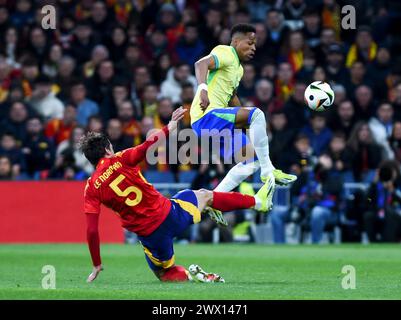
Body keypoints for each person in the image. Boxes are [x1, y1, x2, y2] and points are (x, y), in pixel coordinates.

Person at [80, 107, 273, 283]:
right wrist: (169, 127)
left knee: (165, 273)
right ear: (107, 149)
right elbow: (148, 144)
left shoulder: (91, 188)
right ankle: (257, 202)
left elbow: (91, 231)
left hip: (150, 235)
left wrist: (96, 264)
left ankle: (192, 276)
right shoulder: (121, 159)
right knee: (205, 195)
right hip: (169, 215)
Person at [190, 23, 296, 207]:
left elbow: (232, 99)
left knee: (250, 161)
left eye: (255, 44)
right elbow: (201, 64)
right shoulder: (225, 52)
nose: (253, 48)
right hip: (207, 116)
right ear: (236, 41)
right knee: (258, 114)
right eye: (250, 43)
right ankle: (268, 170)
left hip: (216, 124)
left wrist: (247, 126)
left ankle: (213, 200)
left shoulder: (238, 69)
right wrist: (203, 89)